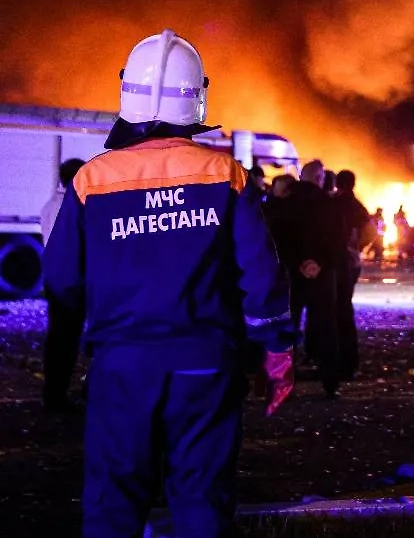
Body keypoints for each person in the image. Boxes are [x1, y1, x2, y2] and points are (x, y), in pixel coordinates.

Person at [43, 29, 296, 537]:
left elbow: (62, 279)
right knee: (201, 498)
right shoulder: (225, 174)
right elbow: (261, 274)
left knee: (114, 502)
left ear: (127, 93)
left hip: (123, 366)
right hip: (205, 364)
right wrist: (277, 350)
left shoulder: (92, 179)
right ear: (198, 96)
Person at [286, 159, 346, 397]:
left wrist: (297, 263)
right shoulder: (328, 205)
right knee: (326, 327)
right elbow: (337, 241)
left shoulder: (286, 204)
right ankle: (330, 382)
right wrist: (319, 264)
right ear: (320, 179)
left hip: (292, 275)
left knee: (287, 327)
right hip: (321, 276)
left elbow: (277, 239)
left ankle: (281, 384)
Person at [41, 158, 87, 413]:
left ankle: (53, 393)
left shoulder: (51, 205)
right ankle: (56, 396)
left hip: (54, 279)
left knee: (58, 338)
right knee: (66, 340)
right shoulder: (69, 207)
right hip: (68, 281)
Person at [332, 170, 374, 380]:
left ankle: (339, 360)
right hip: (352, 261)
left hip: (337, 262)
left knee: (337, 309)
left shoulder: (333, 204)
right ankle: (348, 361)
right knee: (344, 307)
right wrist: (358, 248)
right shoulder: (358, 207)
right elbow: (371, 232)